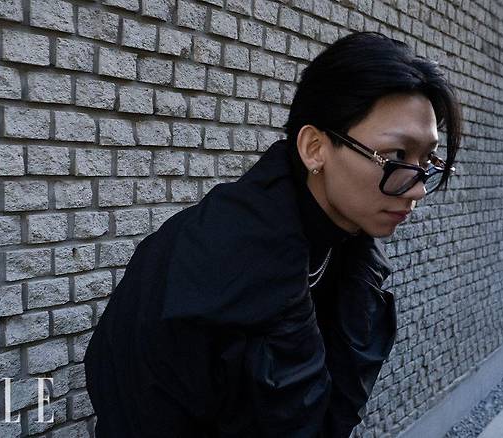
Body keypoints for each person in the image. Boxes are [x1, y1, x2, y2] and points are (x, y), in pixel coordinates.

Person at [83, 31, 461, 438]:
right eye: (396, 156)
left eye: (427, 160)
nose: (418, 188)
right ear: (315, 148)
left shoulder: (350, 252)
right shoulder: (206, 258)